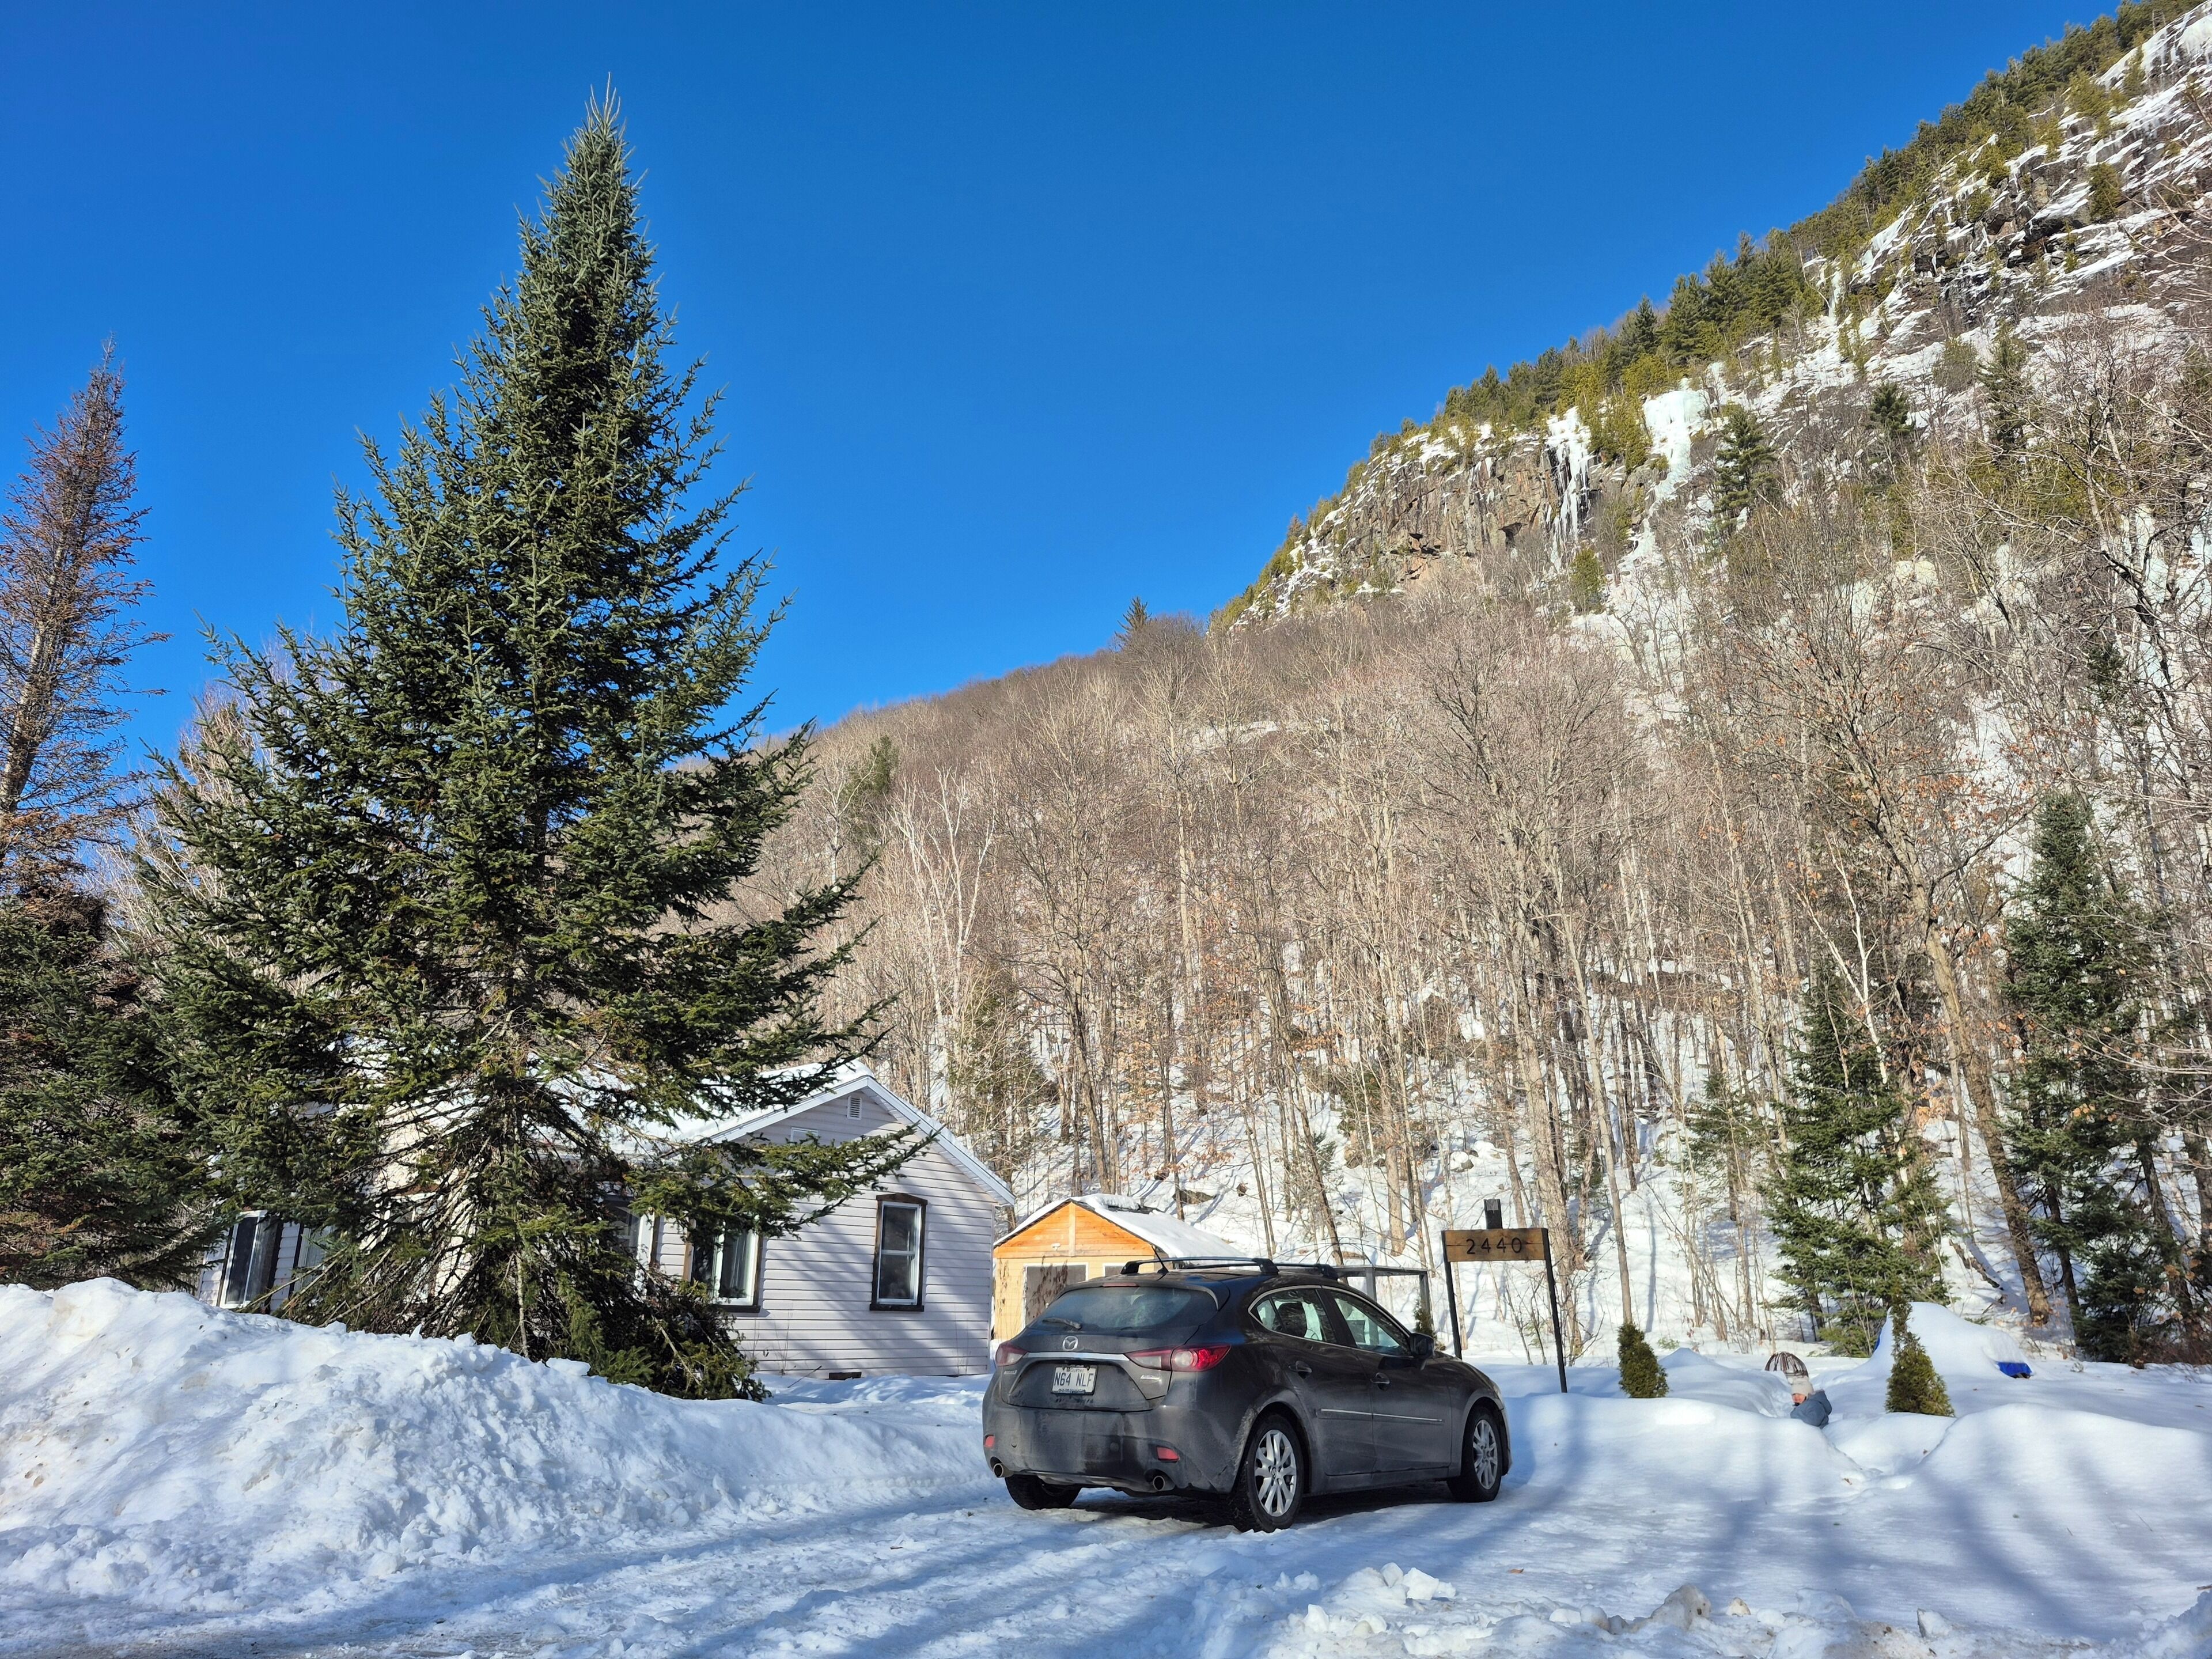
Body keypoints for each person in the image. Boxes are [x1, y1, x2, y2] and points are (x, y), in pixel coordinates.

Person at [1766, 1350, 1831, 1427]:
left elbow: (1813, 1422)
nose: (1796, 1397)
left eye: (1800, 1394)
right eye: (1794, 1395)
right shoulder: (1807, 1404)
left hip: (1817, 1435)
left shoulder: (1814, 1405)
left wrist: (1795, 1417)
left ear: (1807, 1394)